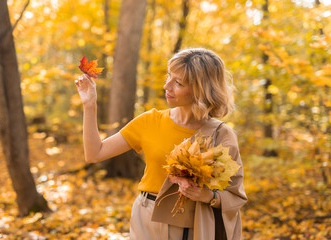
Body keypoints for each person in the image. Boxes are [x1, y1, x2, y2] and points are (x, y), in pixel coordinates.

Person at [75, 48, 247, 240]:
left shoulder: (222, 134)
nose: (167, 86)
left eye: (178, 83)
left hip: (193, 224)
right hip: (146, 218)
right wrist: (90, 105)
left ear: (200, 90)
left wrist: (207, 196)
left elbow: (235, 195)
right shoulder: (150, 121)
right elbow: (95, 154)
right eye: (169, 76)